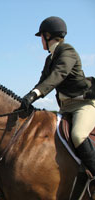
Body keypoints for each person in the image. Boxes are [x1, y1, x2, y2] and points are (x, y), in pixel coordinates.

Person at [18, 16, 95, 175]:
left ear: (47, 36)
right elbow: (42, 82)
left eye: (41, 37)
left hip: (83, 106)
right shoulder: (49, 59)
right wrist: (26, 98)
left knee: (78, 135)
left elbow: (57, 75)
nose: (40, 41)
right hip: (65, 108)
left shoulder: (68, 51)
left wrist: (34, 94)